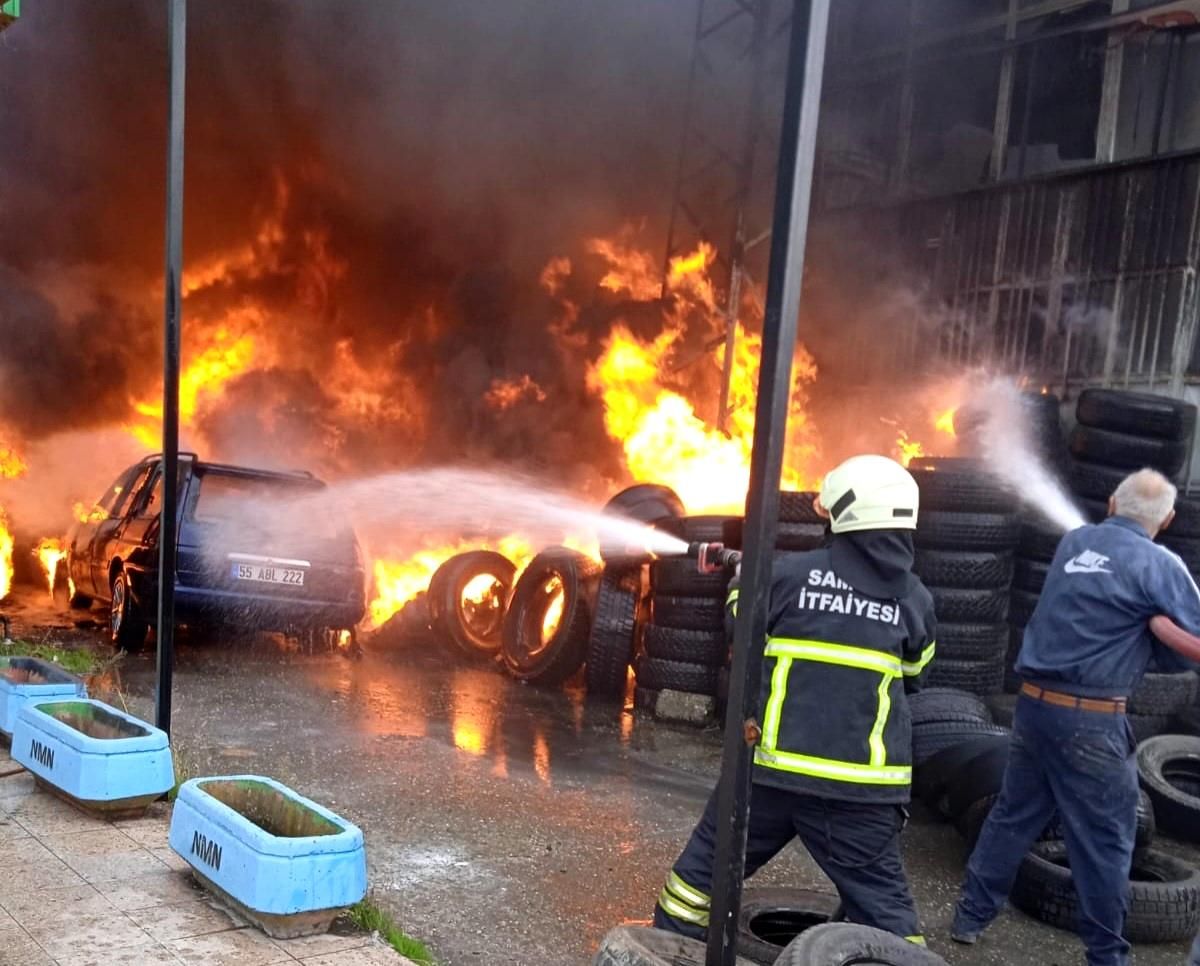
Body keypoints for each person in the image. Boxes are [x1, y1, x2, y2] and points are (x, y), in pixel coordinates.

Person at [653, 455, 937, 946]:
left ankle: (665, 951)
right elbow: (914, 674)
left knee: (698, 882)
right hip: (861, 792)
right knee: (888, 918)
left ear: (844, 512)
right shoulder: (915, 599)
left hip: (771, 776)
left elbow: (740, 635)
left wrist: (742, 582)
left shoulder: (788, 575)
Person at [952, 468, 1200, 966]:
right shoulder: (1162, 565)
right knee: (1105, 841)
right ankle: (1107, 956)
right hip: (1092, 722)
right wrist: (1152, 635)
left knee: (1013, 815)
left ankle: (969, 919)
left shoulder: (1075, 543)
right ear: (1168, 518)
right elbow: (1186, 642)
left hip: (1035, 708)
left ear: (1111, 503)